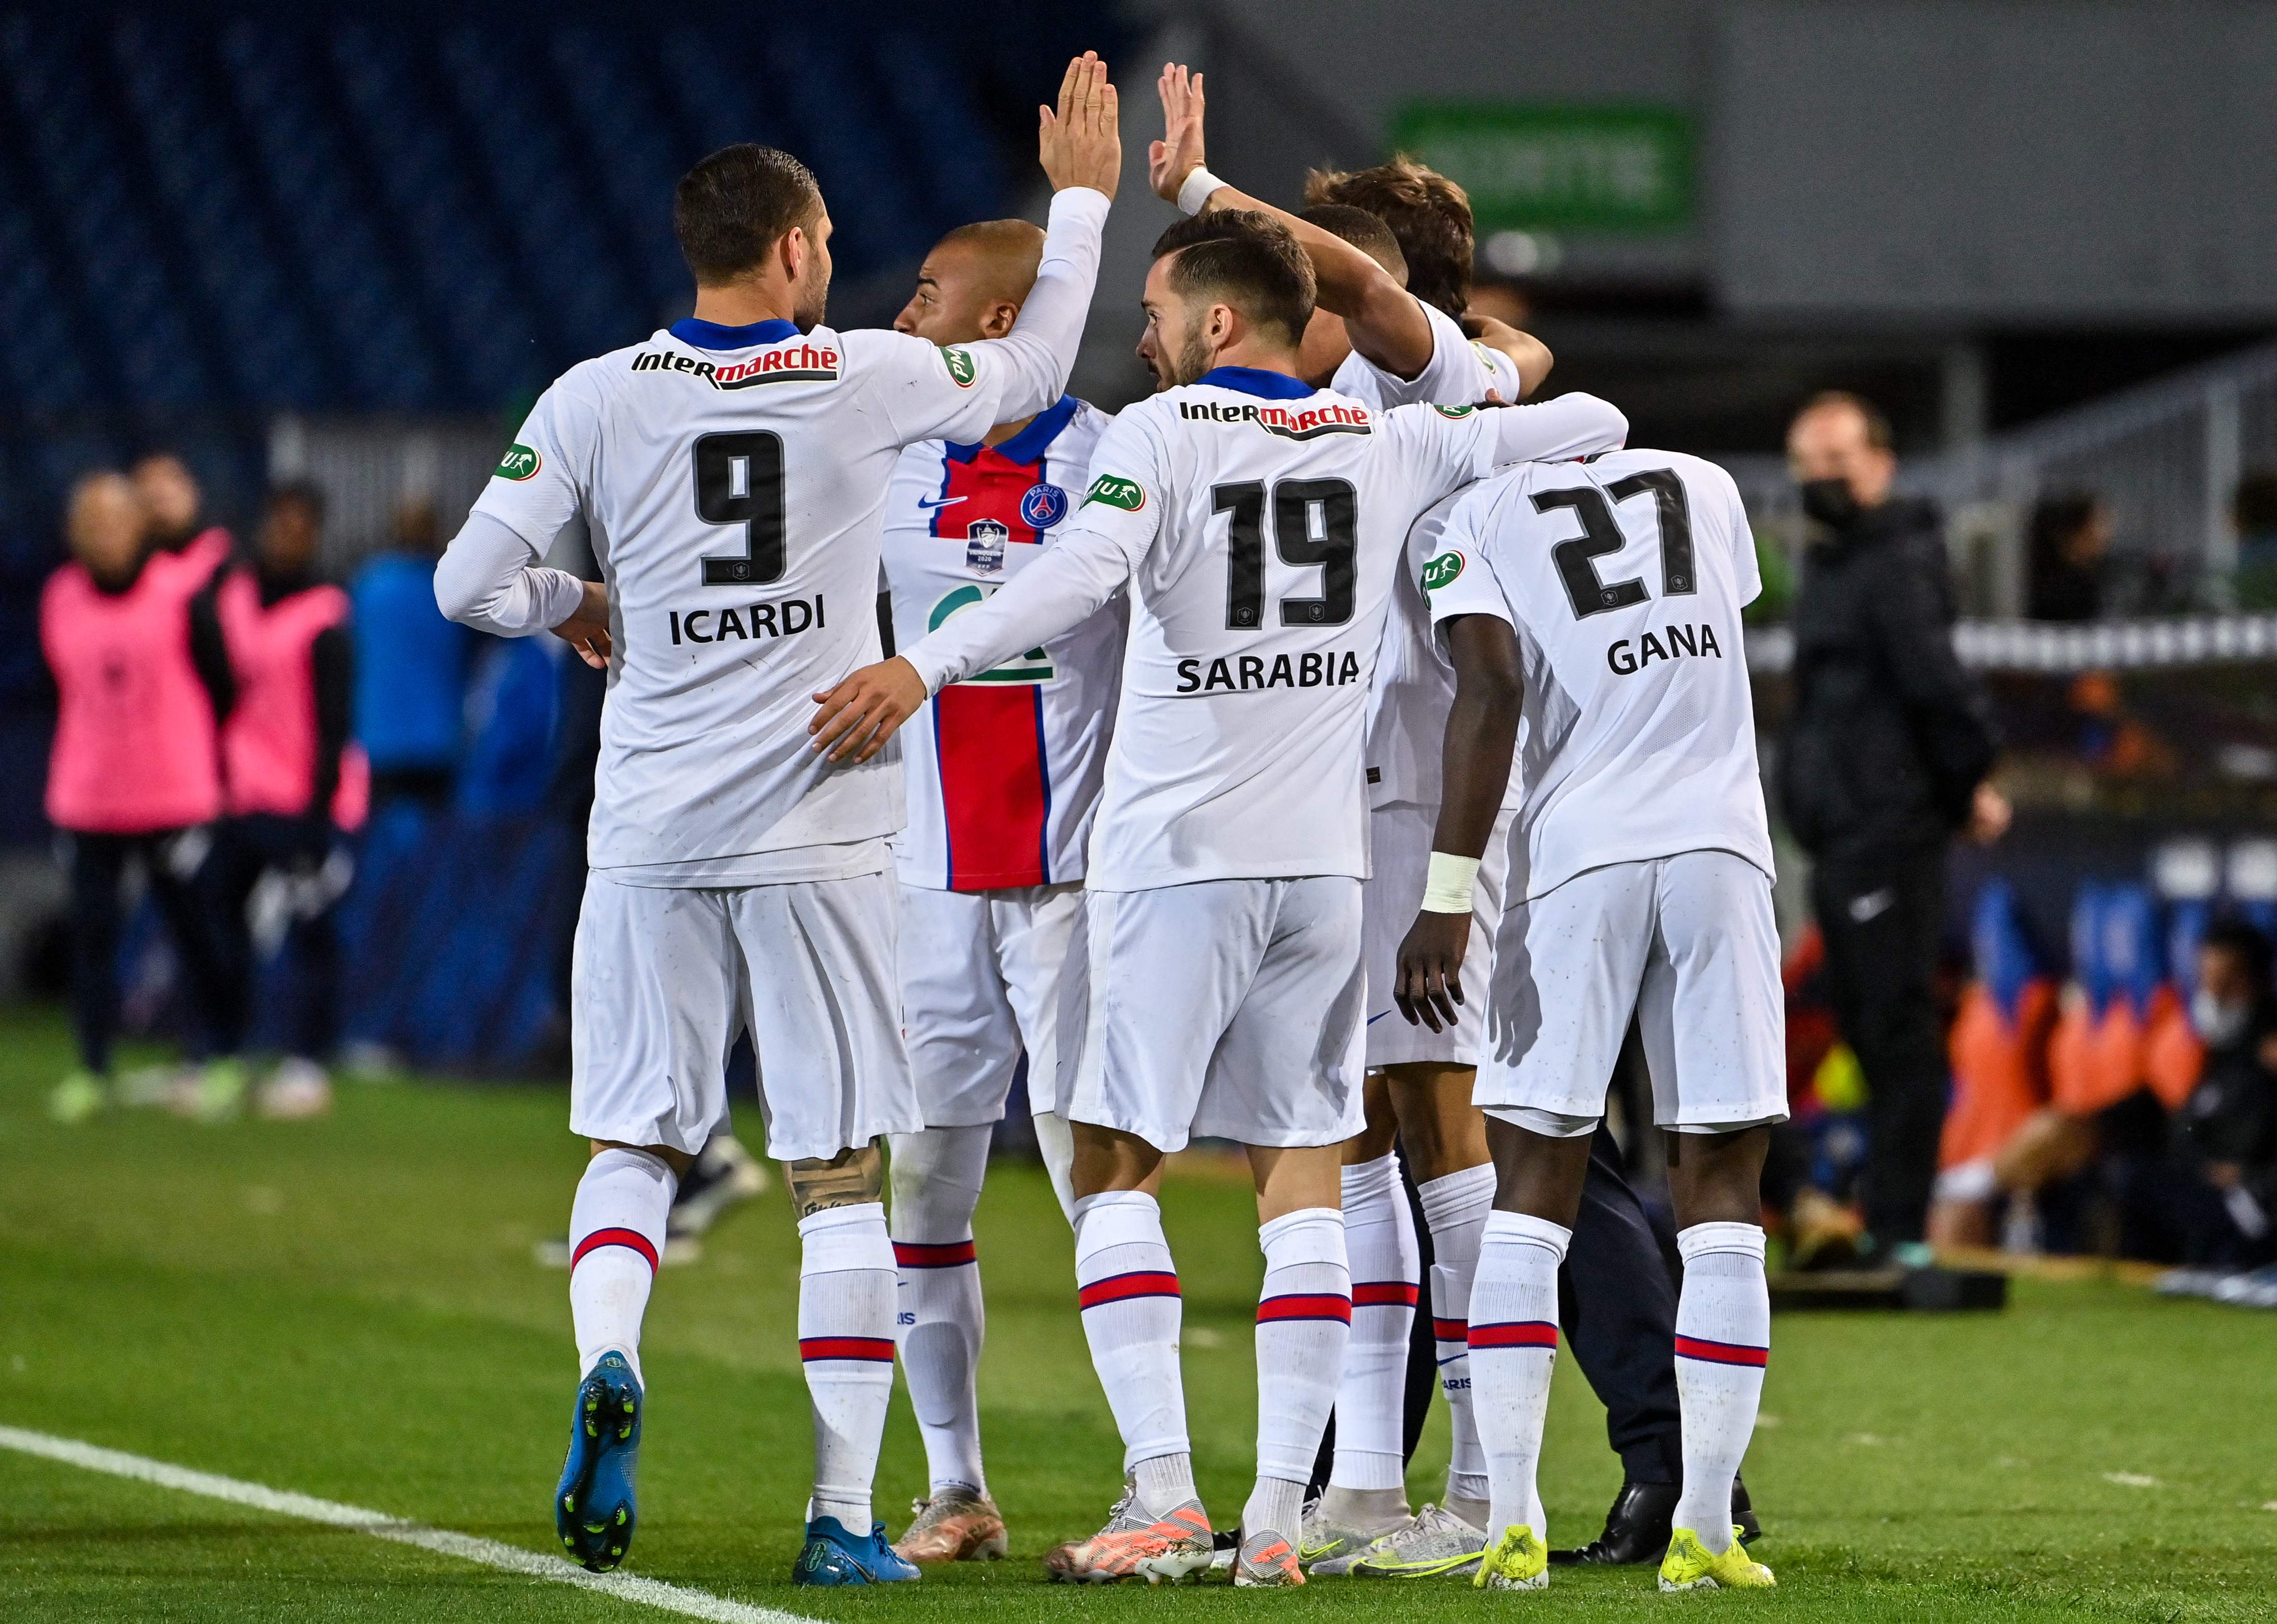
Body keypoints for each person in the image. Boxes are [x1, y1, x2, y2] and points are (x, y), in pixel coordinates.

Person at [809, 197, 1625, 1585]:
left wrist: (926, 665)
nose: (1138, 335)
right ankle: (1271, 1520)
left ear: (1219, 319)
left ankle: (1167, 1499)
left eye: (1155, 310)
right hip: (1322, 866)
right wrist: (1493, 363)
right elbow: (1590, 423)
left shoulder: (1158, 436)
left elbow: (1072, 575)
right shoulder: (1386, 437)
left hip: (1172, 859)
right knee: (1300, 1173)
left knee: (1112, 1158)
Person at [432, 55, 1119, 1585]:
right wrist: (1079, 200)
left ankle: (613, 1356)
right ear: (800, 249)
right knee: (835, 1179)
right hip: (823, 828)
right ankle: (841, 1518)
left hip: (652, 830)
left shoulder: (594, 394)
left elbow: (461, 586)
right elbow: (1036, 357)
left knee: (631, 1139)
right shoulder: (863, 372)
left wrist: (577, 600)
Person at [1397, 441, 1783, 1595]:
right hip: (1720, 841)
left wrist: (1447, 895)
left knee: (1532, 1182)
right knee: (1720, 1183)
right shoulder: (1705, 483)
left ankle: (1511, 1517)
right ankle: (1706, 1523)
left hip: (1579, 851)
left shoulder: (1465, 511)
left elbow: (1493, 684)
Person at [874, 216, 1123, 1564]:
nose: (902, 316)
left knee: (1101, 1177)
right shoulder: (885, 455)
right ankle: (955, 1483)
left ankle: (1159, 1477)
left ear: (993, 321)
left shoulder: (1110, 456)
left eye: (924, 294)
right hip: (929, 875)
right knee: (926, 1179)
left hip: (1071, 876)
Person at [1781, 391, 2008, 1268]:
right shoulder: (1839, 562)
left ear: (1879, 462)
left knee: (1895, 1021)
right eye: (1806, 464)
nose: (1819, 480)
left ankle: (1901, 1227)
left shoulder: (1895, 561)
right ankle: (1876, 1215)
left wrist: (1965, 783)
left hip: (1884, 826)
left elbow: (1936, 685)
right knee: (1864, 1023)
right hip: (1843, 830)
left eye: (1835, 462)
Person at [41, 472, 237, 1124]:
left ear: (139, 528)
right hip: (89, 795)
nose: (104, 535)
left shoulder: (181, 593)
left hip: (173, 795)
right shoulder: (61, 596)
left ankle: (221, 1056)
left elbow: (222, 684)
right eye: (90, 523)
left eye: (116, 520)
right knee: (93, 936)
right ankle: (93, 1068)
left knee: (196, 930)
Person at [203, 481, 366, 1121]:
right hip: (241, 794)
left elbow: (333, 722)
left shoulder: (326, 613)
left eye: (300, 527)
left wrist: (315, 817)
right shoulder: (234, 595)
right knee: (214, 921)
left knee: (310, 934)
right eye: (279, 523)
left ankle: (306, 1063)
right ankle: (224, 1051)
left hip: (303, 799)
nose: (286, 536)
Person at [349, 498, 474, 810]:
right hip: (438, 738)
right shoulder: (451, 588)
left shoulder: (368, 585)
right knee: (434, 847)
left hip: (378, 738)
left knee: (379, 844)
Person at [2024, 492, 2108, 623]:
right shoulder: (2063, 595)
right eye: (2098, 523)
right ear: (2077, 533)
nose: (2104, 534)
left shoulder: (2098, 577)